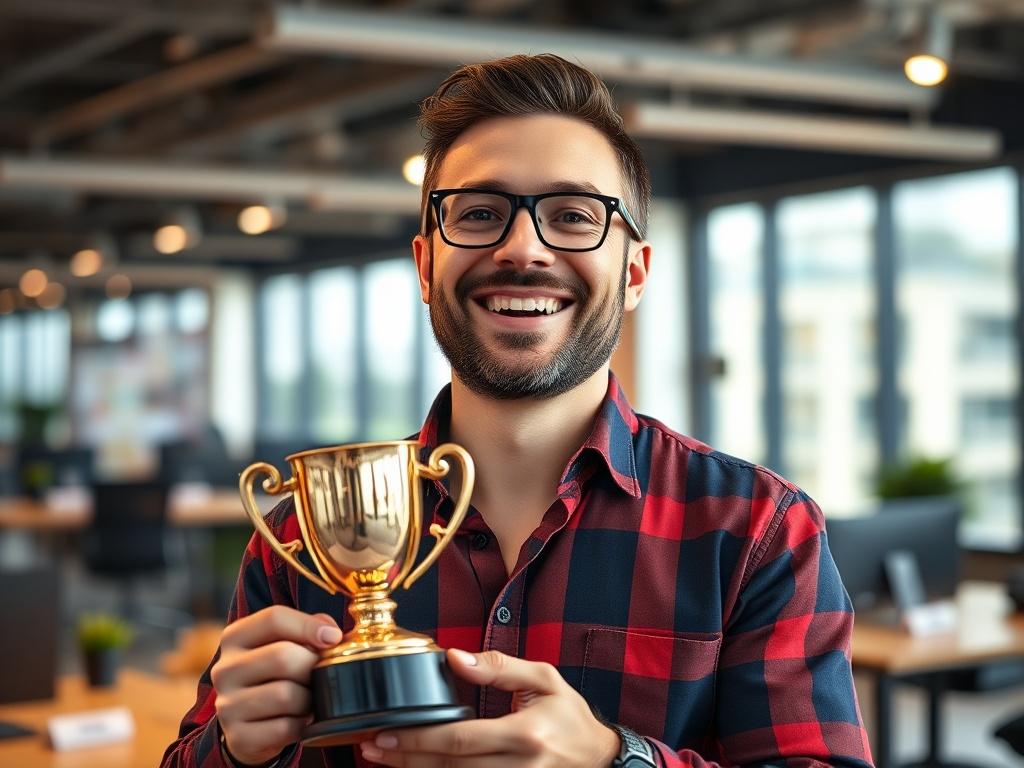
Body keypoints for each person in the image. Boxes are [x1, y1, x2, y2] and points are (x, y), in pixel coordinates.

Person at [162, 54, 874, 768]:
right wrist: (233, 749)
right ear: (423, 266)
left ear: (633, 275)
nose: (521, 248)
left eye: (572, 216)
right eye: (478, 214)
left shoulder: (755, 531)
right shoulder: (305, 540)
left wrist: (614, 760)